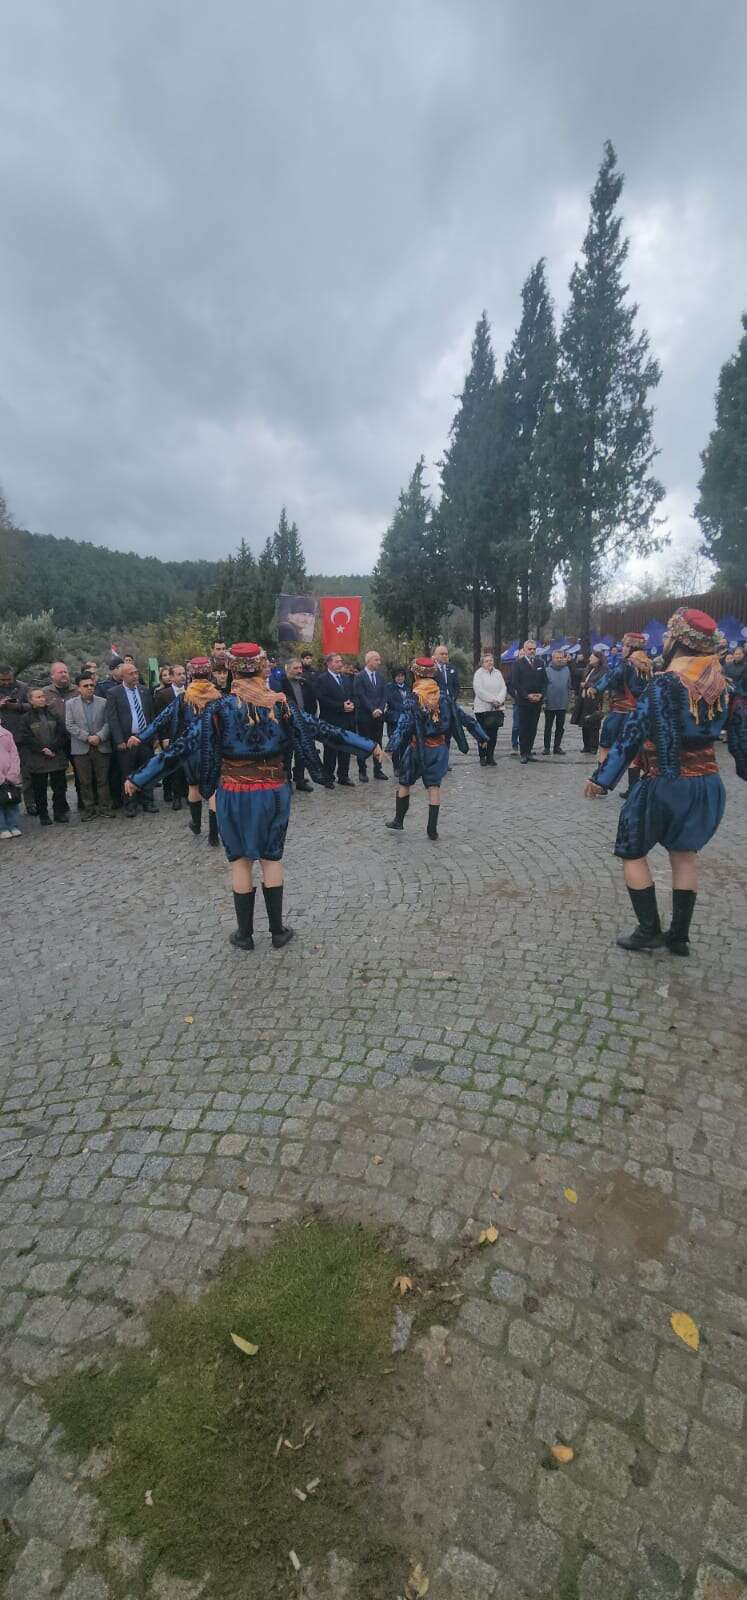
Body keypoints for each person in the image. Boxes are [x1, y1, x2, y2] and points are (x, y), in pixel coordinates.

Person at [125, 642, 379, 952]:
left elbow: (179, 749)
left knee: (241, 862)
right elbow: (324, 730)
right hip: (272, 791)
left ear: (231, 671)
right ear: (261, 669)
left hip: (233, 791)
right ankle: (277, 931)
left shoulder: (219, 709)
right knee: (271, 858)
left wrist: (140, 778)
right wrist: (367, 746)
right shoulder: (281, 706)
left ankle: (244, 935)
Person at [584, 608, 747, 957]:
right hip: (707, 784)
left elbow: (632, 735)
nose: (666, 641)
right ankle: (679, 937)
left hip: (666, 781)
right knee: (685, 856)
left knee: (631, 850)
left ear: (679, 641)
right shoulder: (724, 684)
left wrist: (602, 779)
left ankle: (648, 930)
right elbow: (740, 736)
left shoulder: (666, 684)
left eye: (670, 636)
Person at [385, 656, 486, 840]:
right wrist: (481, 736)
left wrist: (391, 746)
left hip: (418, 748)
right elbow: (463, 718)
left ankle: (398, 821)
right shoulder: (445, 697)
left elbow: (403, 724)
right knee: (434, 787)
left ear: (415, 674)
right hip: (439, 748)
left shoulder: (413, 697)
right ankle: (432, 830)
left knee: (405, 782)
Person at [138, 658, 221, 841]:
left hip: (190, 748)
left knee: (194, 786)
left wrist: (140, 737)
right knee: (214, 789)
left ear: (191, 674)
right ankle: (214, 834)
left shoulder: (184, 698)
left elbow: (161, 719)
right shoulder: (218, 696)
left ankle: (196, 824)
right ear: (209, 674)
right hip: (212, 747)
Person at [595, 632, 652, 795]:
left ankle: (601, 784)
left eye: (626, 646)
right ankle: (632, 789)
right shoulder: (648, 664)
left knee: (605, 746)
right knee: (633, 751)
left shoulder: (625, 664)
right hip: (638, 714)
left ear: (632, 647)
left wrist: (595, 688)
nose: (622, 649)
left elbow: (611, 678)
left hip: (619, 712)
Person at [106, 662, 159, 818]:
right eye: (131, 673)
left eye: (136, 672)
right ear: (123, 676)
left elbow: (151, 715)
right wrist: (119, 740)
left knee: (147, 771)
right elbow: (112, 718)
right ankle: (130, 804)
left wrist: (154, 736)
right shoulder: (114, 693)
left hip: (145, 739)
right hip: (127, 740)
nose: (135, 676)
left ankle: (148, 801)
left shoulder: (144, 691)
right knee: (128, 773)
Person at [16, 689, 69, 825]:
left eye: (43, 696)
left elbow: (61, 733)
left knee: (60, 787)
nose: (42, 699)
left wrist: (53, 748)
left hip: (56, 757)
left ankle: (59, 812)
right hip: (37, 759)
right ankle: (43, 815)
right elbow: (26, 737)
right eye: (38, 697)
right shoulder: (26, 718)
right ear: (31, 700)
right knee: (40, 789)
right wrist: (42, 749)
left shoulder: (54, 714)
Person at [65, 674, 113, 820]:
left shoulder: (103, 702)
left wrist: (99, 736)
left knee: (103, 780)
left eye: (92, 685)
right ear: (79, 688)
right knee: (85, 781)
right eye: (86, 686)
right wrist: (87, 737)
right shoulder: (70, 704)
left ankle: (105, 808)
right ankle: (89, 810)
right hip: (81, 748)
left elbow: (109, 722)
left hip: (101, 745)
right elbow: (69, 724)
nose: (90, 688)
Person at [315, 653, 358, 786]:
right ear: (329, 663)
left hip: (347, 720)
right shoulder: (322, 679)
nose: (340, 664)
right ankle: (328, 777)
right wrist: (341, 706)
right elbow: (322, 699)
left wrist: (353, 704)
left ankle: (343, 776)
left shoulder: (346, 679)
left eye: (341, 661)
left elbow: (354, 695)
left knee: (345, 750)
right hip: (330, 720)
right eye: (337, 662)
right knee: (330, 751)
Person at [280, 658, 319, 792]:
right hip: (288, 723)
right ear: (287, 668)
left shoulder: (305, 683)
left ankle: (300, 779)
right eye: (295, 668)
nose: (299, 671)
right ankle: (287, 781)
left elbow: (313, 702)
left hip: (304, 723)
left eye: (300, 668)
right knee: (287, 754)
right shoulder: (281, 684)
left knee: (302, 753)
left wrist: (310, 719)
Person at [353, 651, 389, 782]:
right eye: (376, 660)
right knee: (362, 744)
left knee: (378, 743)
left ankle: (377, 770)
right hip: (365, 716)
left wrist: (380, 708)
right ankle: (362, 771)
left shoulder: (380, 677)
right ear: (368, 661)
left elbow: (384, 694)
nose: (379, 662)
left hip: (378, 716)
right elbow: (360, 695)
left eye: (379, 660)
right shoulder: (360, 677)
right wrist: (372, 709)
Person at [0, 665, 32, 812]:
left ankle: (30, 803)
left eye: (8, 679)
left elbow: (32, 705)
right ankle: (7, 804)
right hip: (2, 740)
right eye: (2, 680)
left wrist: (16, 706)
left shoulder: (23, 687)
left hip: (21, 736)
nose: (6, 683)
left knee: (26, 772)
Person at [512, 641, 547, 764]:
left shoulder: (540, 663)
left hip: (537, 702)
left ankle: (529, 751)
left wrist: (541, 694)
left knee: (533, 727)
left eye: (534, 649)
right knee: (523, 728)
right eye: (530, 649)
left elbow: (545, 681)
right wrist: (527, 695)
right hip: (524, 702)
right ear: (525, 649)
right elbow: (515, 682)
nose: (532, 651)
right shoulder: (518, 664)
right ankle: (523, 753)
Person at [472, 650, 507, 766]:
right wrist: (492, 699)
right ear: (482, 663)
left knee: (493, 734)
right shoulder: (479, 674)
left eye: (491, 660)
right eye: (486, 661)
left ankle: (490, 756)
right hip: (482, 709)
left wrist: (499, 700)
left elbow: (503, 688)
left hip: (496, 709)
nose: (489, 663)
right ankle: (482, 756)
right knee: (482, 734)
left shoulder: (498, 673)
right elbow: (479, 690)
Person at [571, 650, 606, 754]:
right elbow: (576, 672)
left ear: (598, 659)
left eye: (592, 657)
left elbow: (600, 682)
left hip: (594, 700)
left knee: (593, 723)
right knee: (584, 722)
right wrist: (571, 662)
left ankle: (593, 746)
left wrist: (586, 685)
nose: (590, 659)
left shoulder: (603, 670)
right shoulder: (589, 668)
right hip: (584, 699)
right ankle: (586, 745)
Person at [543, 650, 572, 755]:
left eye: (561, 657)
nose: (559, 659)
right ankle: (546, 747)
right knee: (548, 727)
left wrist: (568, 699)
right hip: (550, 703)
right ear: (552, 658)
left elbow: (569, 685)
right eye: (557, 658)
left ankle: (557, 747)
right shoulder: (547, 670)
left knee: (560, 727)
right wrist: (544, 700)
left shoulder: (567, 670)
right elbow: (544, 686)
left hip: (562, 704)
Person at [0, 717, 22, 839]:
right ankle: (2, 827)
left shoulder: (6, 734)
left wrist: (13, 772)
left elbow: (14, 754)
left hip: (9, 776)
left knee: (11, 801)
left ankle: (13, 825)